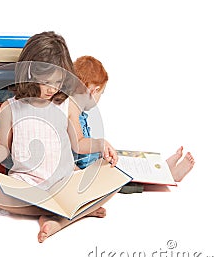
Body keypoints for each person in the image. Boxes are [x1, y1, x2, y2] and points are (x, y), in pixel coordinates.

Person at [0, 31, 117, 243]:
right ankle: (71, 213)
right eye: (45, 81)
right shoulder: (10, 108)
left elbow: (79, 143)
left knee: (111, 181)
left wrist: (100, 144)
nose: (51, 88)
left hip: (63, 182)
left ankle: (58, 216)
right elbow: (3, 148)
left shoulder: (67, 105)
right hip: (28, 185)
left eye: (57, 81)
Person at [71, 55, 195, 187]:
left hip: (94, 162)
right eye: (101, 93)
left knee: (126, 162)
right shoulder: (72, 110)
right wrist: (101, 144)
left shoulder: (78, 110)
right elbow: (78, 144)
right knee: (123, 177)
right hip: (88, 171)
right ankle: (168, 175)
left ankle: (163, 170)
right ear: (94, 91)